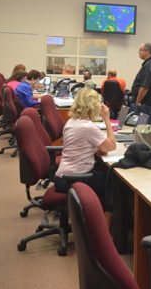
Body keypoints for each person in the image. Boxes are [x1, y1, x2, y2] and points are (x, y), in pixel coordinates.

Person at [54, 88, 116, 224]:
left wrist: (99, 148)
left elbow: (99, 150)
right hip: (73, 179)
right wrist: (107, 118)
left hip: (62, 177)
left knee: (104, 173)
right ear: (92, 106)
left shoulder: (72, 122)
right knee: (114, 182)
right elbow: (111, 146)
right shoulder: (88, 127)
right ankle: (106, 227)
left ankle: (94, 217)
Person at [130, 42, 151, 124]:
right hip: (149, 104)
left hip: (147, 105)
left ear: (147, 51)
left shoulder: (150, 65)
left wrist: (137, 103)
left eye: (140, 50)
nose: (139, 52)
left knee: (144, 130)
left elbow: (144, 87)